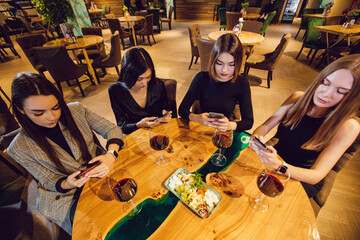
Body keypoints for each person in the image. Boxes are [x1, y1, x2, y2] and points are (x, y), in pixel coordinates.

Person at [7, 72, 124, 235]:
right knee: (98, 230)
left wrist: (110, 155)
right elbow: (47, 180)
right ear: (21, 109)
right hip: (64, 195)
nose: (51, 117)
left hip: (99, 172)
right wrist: (67, 183)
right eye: (39, 113)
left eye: (56, 107)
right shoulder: (19, 147)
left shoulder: (76, 110)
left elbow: (112, 129)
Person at [249, 54, 360, 198]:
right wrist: (256, 139)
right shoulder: (297, 98)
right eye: (325, 83)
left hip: (302, 178)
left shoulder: (349, 126)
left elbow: (316, 175)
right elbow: (264, 127)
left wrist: (279, 166)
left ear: (352, 98)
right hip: (276, 160)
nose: (326, 94)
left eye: (340, 92)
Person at [178, 33, 253, 132]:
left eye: (231, 64)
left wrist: (230, 125)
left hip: (223, 132)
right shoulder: (201, 78)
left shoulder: (242, 83)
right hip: (202, 129)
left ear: (238, 63)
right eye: (219, 63)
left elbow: (248, 122)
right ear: (213, 60)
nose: (224, 70)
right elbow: (182, 110)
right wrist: (196, 118)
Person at [108, 47, 175, 134]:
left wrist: (165, 113)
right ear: (128, 75)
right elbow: (121, 126)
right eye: (139, 79)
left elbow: (165, 108)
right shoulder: (116, 90)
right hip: (136, 134)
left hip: (158, 131)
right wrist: (138, 125)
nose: (145, 84)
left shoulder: (157, 84)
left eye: (148, 77)